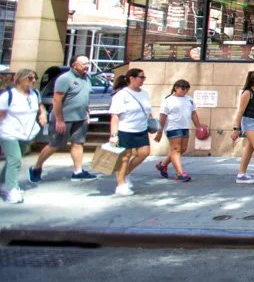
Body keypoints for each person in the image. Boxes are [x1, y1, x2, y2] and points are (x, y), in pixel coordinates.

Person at [29, 55, 97, 183]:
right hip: (64, 118)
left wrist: (87, 112)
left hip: (80, 117)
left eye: (88, 63)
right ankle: (36, 167)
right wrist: (59, 120)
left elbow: (85, 97)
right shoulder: (64, 79)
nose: (87, 66)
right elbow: (57, 100)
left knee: (78, 143)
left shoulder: (87, 78)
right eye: (84, 64)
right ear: (74, 65)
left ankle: (78, 172)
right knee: (55, 145)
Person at [0, 69, 48, 204]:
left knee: (13, 160)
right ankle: (11, 190)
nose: (34, 81)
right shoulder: (8, 95)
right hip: (8, 133)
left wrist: (43, 114)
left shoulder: (35, 94)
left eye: (35, 78)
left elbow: (41, 106)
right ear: (20, 79)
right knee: (15, 160)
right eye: (30, 78)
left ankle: (3, 183)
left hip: (26, 133)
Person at [108, 68, 154, 197]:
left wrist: (152, 122)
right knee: (125, 157)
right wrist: (114, 135)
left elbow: (148, 110)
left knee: (144, 152)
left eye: (144, 78)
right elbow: (115, 116)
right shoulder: (121, 94)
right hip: (125, 129)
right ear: (131, 78)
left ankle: (124, 173)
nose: (143, 80)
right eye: (141, 77)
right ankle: (121, 184)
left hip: (141, 129)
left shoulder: (144, 93)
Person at [154, 79, 207, 182]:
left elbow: (193, 113)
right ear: (176, 88)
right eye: (183, 88)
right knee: (176, 149)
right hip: (173, 127)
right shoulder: (168, 100)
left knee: (182, 149)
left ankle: (162, 165)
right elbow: (163, 117)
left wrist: (198, 126)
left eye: (187, 88)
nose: (185, 90)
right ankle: (179, 174)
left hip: (185, 126)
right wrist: (160, 131)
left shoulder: (189, 99)